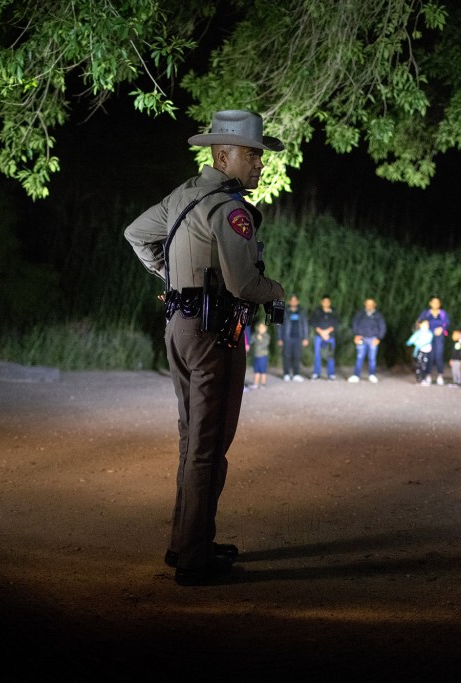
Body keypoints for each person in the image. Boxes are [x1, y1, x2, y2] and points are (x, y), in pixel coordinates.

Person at [124, 110, 285, 586]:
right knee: (209, 446)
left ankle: (185, 543)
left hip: (180, 326)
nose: (259, 164)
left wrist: (172, 278)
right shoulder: (230, 209)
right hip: (215, 333)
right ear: (222, 154)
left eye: (259, 155)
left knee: (191, 439)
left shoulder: (183, 195)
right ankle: (195, 557)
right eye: (252, 154)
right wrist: (275, 291)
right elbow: (242, 283)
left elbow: (136, 234)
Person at [348, 298, 387, 383]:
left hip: (373, 339)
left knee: (372, 358)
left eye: (371, 304)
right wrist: (356, 335)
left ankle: (372, 375)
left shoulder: (378, 315)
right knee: (359, 356)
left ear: (374, 305)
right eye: (367, 304)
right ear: (365, 304)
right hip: (361, 338)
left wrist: (379, 338)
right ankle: (356, 375)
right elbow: (355, 324)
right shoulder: (360, 314)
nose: (369, 306)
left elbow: (382, 327)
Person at [416, 295, 450, 385]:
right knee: (429, 355)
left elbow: (447, 323)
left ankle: (440, 375)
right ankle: (428, 374)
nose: (435, 304)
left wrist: (442, 329)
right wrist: (428, 329)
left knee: (439, 354)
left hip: (439, 337)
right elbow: (419, 323)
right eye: (434, 302)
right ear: (430, 303)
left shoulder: (443, 313)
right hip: (428, 337)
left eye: (437, 302)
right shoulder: (426, 313)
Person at [278, 294, 308, 381]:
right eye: (292, 300)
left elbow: (305, 325)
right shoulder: (285, 312)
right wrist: (279, 338)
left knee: (297, 356)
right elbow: (279, 325)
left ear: (297, 302)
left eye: (295, 300)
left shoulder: (301, 312)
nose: (293, 302)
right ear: (289, 301)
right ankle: (286, 374)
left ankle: (296, 374)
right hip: (287, 338)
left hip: (298, 338)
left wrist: (305, 338)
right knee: (286, 356)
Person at [310, 294, 339, 380]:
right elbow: (312, 321)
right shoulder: (317, 311)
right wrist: (321, 332)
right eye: (324, 301)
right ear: (321, 302)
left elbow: (337, 323)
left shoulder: (334, 311)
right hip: (319, 335)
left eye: (327, 301)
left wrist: (328, 331)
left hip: (330, 336)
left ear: (330, 302)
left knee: (330, 355)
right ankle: (316, 373)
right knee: (317, 354)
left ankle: (330, 374)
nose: (326, 303)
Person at [405, 318, 434, 384]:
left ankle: (423, 378)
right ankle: (419, 378)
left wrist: (419, 344)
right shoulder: (418, 332)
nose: (426, 325)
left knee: (424, 365)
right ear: (420, 325)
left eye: (427, 324)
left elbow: (428, 340)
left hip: (426, 351)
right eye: (424, 324)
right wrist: (409, 342)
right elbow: (413, 338)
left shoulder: (429, 333)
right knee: (419, 365)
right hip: (419, 351)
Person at [250, 321, 271, 389]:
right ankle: (255, 384)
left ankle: (263, 384)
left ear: (265, 329)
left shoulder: (266, 336)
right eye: (260, 327)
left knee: (263, 371)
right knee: (256, 371)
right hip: (256, 356)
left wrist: (260, 339)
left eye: (263, 328)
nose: (261, 329)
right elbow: (250, 341)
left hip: (263, 356)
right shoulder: (255, 335)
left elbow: (265, 344)